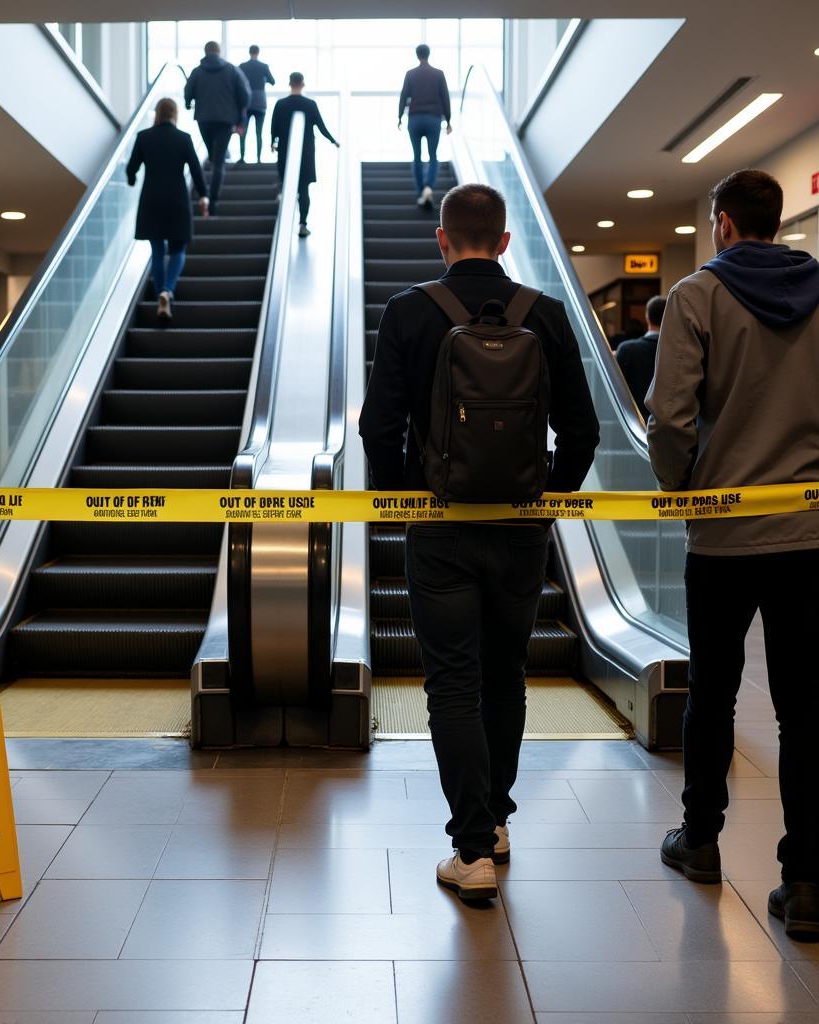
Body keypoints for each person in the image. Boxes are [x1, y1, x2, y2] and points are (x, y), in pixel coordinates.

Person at [359, 184, 599, 901]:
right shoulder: (546, 315)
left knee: (452, 685)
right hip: (520, 530)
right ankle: (494, 825)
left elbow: (381, 426)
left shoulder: (408, 312)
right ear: (502, 242)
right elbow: (581, 430)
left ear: (442, 239)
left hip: (439, 531)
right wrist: (545, 500)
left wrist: (408, 497)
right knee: (506, 675)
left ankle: (471, 853)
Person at [647, 169, 819, 939]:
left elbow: (671, 415)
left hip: (721, 536)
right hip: (810, 533)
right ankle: (808, 878)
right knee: (805, 706)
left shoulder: (696, 297)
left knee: (712, 691)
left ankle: (702, 841)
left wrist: (681, 486)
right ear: (776, 222)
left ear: (723, 223)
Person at [127, 97, 209, 321]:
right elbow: (195, 170)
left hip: (151, 200)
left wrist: (132, 179)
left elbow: (131, 168)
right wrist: (203, 196)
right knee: (178, 250)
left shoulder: (144, 138)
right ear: (174, 114)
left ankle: (160, 293)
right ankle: (167, 290)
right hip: (177, 200)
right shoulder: (184, 139)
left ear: (157, 114)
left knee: (157, 252)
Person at [183, 41, 250, 214]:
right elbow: (245, 95)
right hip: (226, 121)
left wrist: (188, 102)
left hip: (204, 119)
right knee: (218, 161)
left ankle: (206, 195)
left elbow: (188, 92)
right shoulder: (232, 70)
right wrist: (240, 115)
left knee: (213, 157)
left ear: (205, 52)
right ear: (219, 52)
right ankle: (212, 200)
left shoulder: (197, 72)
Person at [270, 73, 339, 239]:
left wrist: (273, 142)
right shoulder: (309, 104)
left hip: (285, 151)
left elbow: (274, 127)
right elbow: (321, 127)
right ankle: (302, 224)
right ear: (303, 84)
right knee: (303, 189)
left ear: (289, 83)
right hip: (306, 153)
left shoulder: (281, 104)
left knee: (286, 184)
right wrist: (333, 141)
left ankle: (283, 218)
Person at [398, 44, 452, 210]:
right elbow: (445, 98)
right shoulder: (438, 74)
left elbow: (403, 96)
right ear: (429, 54)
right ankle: (429, 187)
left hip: (414, 118)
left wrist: (399, 117)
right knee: (433, 155)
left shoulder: (410, 74)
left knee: (417, 157)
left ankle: (421, 192)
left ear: (417, 55)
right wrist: (448, 120)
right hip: (433, 118)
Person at [616, 294, 666, 418]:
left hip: (633, 421)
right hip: (669, 428)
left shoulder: (627, 350)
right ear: (670, 317)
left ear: (647, 317)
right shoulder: (682, 350)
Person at [238, 45, 275, 164]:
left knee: (243, 131)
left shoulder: (243, 66)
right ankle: (258, 159)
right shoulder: (264, 66)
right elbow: (272, 81)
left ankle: (242, 157)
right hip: (260, 102)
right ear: (258, 53)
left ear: (249, 52)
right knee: (259, 132)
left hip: (246, 101)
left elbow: (237, 82)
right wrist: (263, 80)